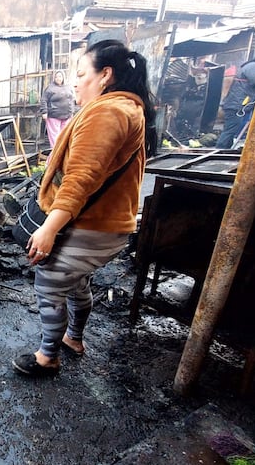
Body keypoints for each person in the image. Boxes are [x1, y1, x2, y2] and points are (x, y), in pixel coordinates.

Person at [12, 39, 158, 376]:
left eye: (81, 74)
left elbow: (82, 179)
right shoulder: (128, 109)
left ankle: (47, 357)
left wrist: (48, 229)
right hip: (109, 226)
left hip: (93, 225)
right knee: (77, 283)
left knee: (49, 283)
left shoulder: (107, 111)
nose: (75, 81)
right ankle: (74, 338)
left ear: (105, 75)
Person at [216, 49, 255, 149]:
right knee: (231, 129)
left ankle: (226, 150)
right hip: (237, 104)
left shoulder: (253, 66)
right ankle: (220, 149)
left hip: (238, 104)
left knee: (231, 129)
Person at [39, 70, 75, 147]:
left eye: (60, 76)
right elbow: (43, 100)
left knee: (64, 135)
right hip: (54, 116)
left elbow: (72, 99)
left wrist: (71, 112)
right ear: (54, 78)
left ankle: (62, 153)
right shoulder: (50, 88)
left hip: (66, 115)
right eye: (56, 77)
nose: (58, 78)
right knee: (54, 136)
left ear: (63, 77)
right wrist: (44, 112)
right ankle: (55, 153)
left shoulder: (68, 87)